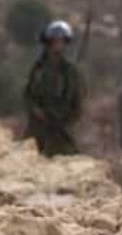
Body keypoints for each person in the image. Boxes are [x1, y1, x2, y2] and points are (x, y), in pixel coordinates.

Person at [24, 21, 85, 157]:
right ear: (48, 43)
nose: (58, 45)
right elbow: (28, 95)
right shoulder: (39, 67)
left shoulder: (70, 70)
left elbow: (77, 101)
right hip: (38, 128)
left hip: (61, 128)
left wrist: (65, 121)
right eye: (54, 41)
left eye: (61, 41)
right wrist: (36, 111)